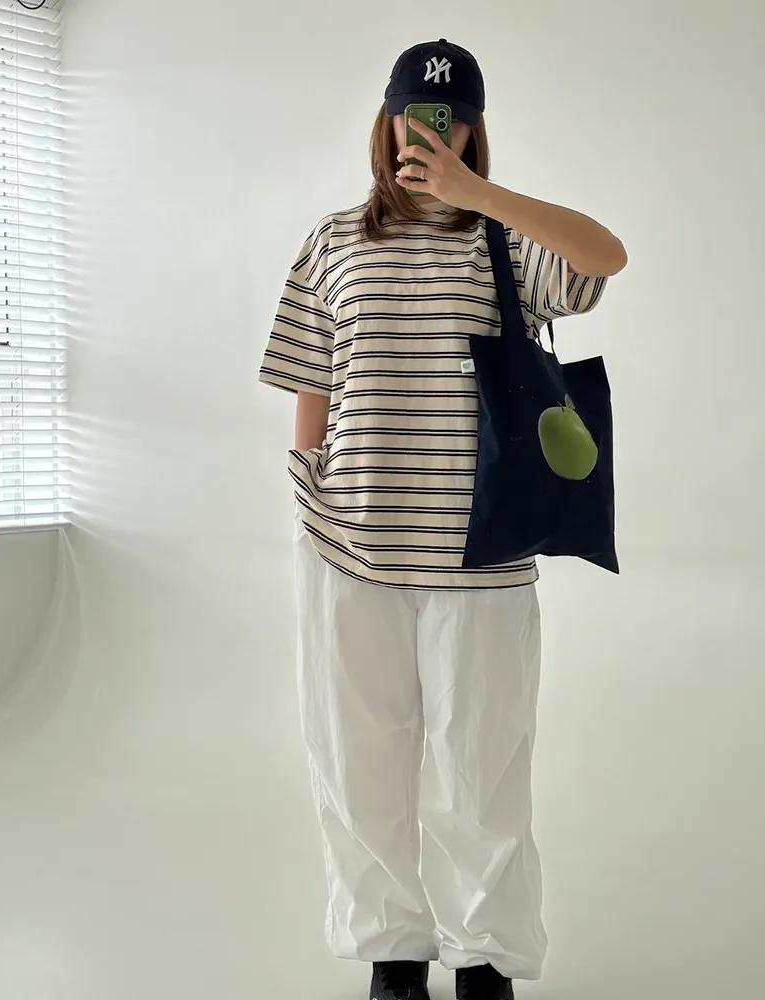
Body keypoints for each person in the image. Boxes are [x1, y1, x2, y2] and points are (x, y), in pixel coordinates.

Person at [259, 38, 626, 1000]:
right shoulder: (335, 240)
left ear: (471, 129)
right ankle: (392, 951)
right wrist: (307, 479)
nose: (430, 130)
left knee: (482, 770)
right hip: (348, 545)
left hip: (483, 552)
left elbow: (606, 256)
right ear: (385, 122)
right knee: (359, 761)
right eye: (414, 115)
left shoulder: (504, 239)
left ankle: (484, 958)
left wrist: (481, 195)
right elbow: (310, 374)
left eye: (451, 117)